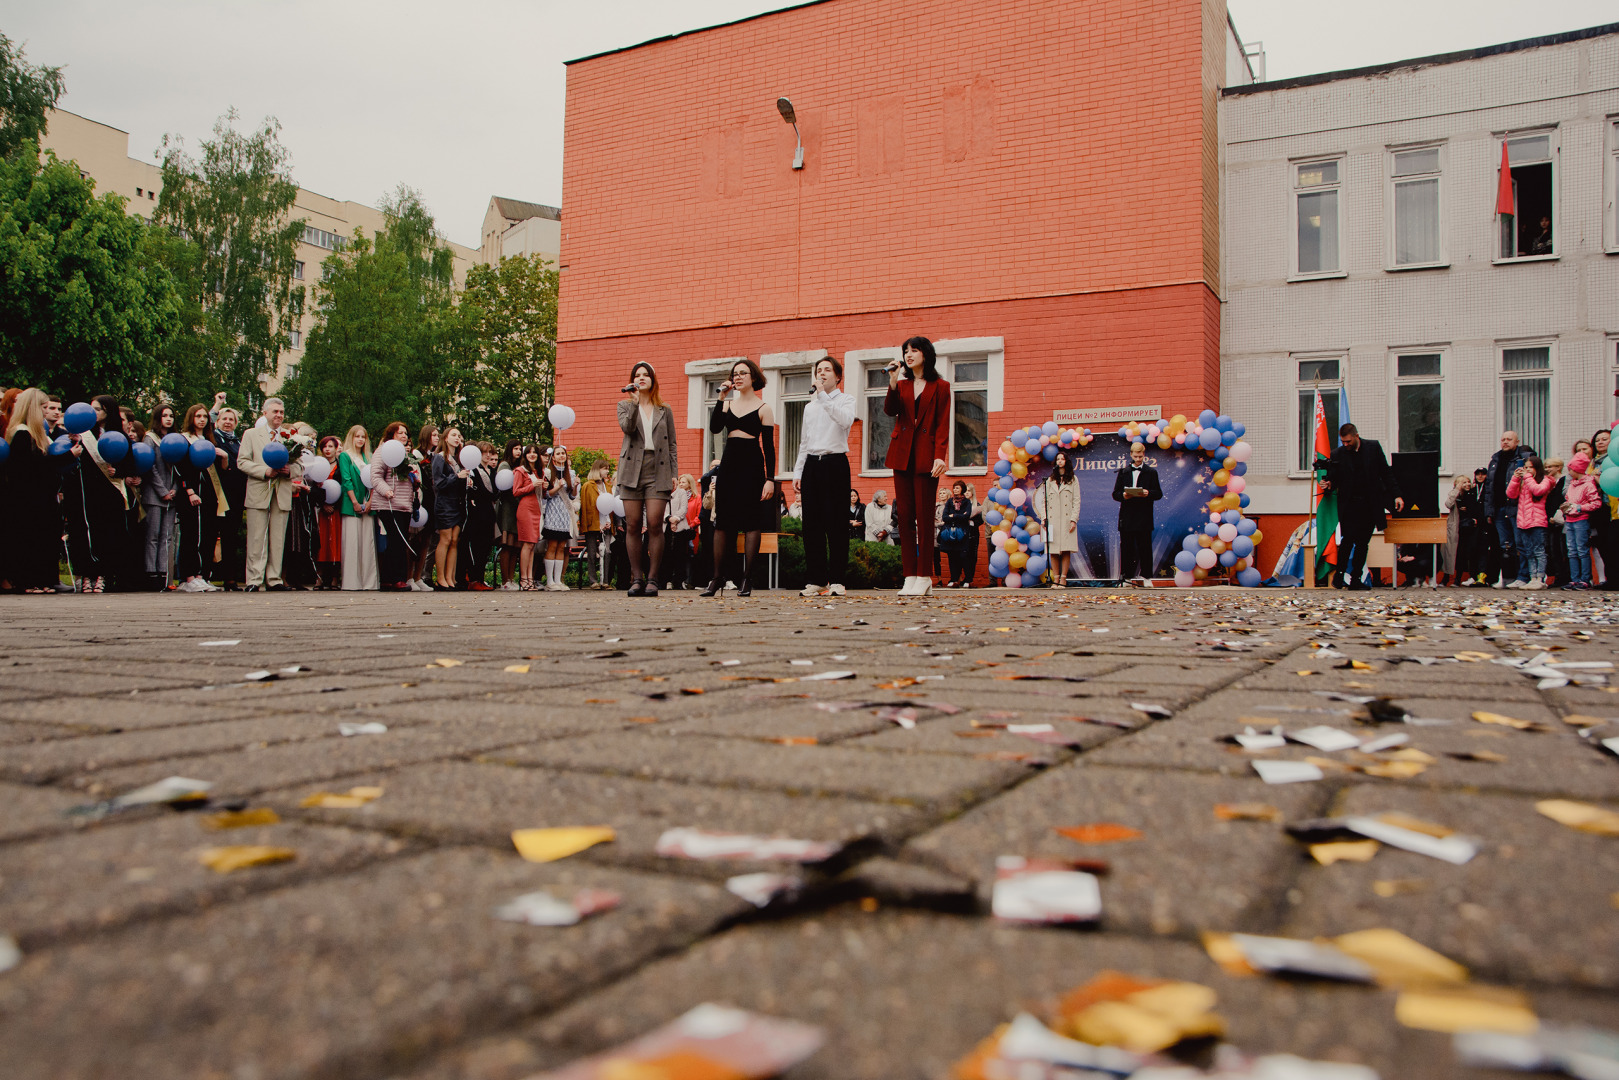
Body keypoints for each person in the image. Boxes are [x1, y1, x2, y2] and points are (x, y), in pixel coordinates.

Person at [702, 359, 774, 598]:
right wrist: (721, 396)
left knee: (752, 522)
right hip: (729, 463)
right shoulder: (726, 404)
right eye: (735, 374)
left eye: (743, 373)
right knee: (723, 523)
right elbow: (713, 428)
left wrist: (770, 479)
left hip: (752, 464)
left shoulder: (764, 407)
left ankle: (747, 578)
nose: (738, 377)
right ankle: (716, 578)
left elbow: (770, 448)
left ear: (753, 377)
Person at [883, 337, 950, 596]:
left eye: (914, 350)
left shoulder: (941, 386)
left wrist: (940, 455)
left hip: (926, 458)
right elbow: (890, 411)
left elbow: (943, 423)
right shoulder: (901, 385)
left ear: (926, 354)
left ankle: (924, 576)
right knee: (905, 519)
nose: (909, 355)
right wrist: (892, 380)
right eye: (905, 351)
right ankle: (910, 575)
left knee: (924, 518)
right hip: (901, 456)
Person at [792, 355, 857, 598]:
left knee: (837, 523)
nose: (822, 374)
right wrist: (798, 471)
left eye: (827, 370)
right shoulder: (810, 407)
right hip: (812, 463)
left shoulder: (845, 400)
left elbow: (844, 421)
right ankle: (816, 579)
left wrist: (824, 397)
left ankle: (837, 580)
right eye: (819, 370)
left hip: (835, 463)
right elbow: (804, 441)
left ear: (837, 376)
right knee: (812, 525)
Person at [616, 361, 679, 597]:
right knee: (632, 525)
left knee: (654, 523)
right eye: (637, 375)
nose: (641, 378)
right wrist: (634, 402)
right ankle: (636, 578)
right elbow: (628, 428)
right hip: (632, 468)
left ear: (653, 380)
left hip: (658, 468)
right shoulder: (624, 405)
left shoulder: (665, 409)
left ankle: (654, 578)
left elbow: (672, 443)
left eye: (646, 375)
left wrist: (674, 472)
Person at [1322, 422, 1403, 590]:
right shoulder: (1337, 454)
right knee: (1347, 540)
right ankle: (1340, 574)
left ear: (1356, 436)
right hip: (1349, 505)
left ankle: (1356, 579)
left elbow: (1386, 472)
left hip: (1370, 504)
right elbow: (1333, 478)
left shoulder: (1373, 447)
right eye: (1343, 442)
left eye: (1348, 442)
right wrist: (1328, 484)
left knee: (1363, 542)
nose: (1346, 445)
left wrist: (1397, 495)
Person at [238, 398, 303, 591]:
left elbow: (300, 465)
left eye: (282, 412)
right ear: (265, 413)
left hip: (281, 492)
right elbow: (242, 462)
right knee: (257, 537)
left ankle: (274, 579)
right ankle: (254, 579)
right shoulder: (251, 434)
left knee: (277, 538)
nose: (279, 415)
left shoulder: (290, 437)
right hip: (259, 489)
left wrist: (289, 470)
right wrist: (264, 471)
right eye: (275, 411)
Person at [3, 389, 63, 592]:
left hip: (41, 496)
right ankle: (28, 581)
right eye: (44, 407)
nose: (47, 412)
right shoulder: (22, 433)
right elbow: (27, 469)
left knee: (43, 538)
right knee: (29, 538)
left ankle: (42, 579)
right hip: (27, 498)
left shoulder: (36, 433)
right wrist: (66, 457)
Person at [174, 404, 226, 592]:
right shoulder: (184, 440)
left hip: (210, 494)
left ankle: (202, 575)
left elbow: (218, 472)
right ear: (191, 418)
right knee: (191, 535)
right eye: (198, 416)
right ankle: (188, 576)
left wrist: (224, 457)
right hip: (192, 493)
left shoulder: (210, 440)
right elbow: (181, 469)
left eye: (205, 416)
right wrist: (189, 491)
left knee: (208, 535)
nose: (202, 419)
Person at [369, 422, 417, 590]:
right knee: (397, 541)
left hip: (404, 503)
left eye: (406, 433)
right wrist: (386, 490)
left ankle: (387, 579)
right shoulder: (383, 451)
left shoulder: (407, 455)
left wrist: (415, 480)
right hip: (388, 503)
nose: (404, 436)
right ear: (391, 435)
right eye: (400, 433)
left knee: (398, 541)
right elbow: (375, 476)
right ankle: (398, 578)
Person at [140, 403, 184, 588]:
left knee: (168, 536)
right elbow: (150, 468)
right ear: (158, 418)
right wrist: (162, 491)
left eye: (171, 415)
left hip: (171, 495)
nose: (168, 418)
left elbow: (179, 467)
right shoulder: (150, 439)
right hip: (154, 495)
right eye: (165, 415)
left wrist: (174, 488)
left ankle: (164, 575)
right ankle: (152, 574)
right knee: (153, 536)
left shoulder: (176, 440)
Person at [1483, 431, 1533, 588]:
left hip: (1516, 507)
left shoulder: (1523, 458)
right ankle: (1507, 578)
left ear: (1517, 441)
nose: (1505, 442)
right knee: (1505, 545)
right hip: (1498, 509)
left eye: (1509, 439)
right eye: (1503, 439)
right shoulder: (1495, 460)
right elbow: (1489, 488)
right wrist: (1488, 511)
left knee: (1521, 543)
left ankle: (1524, 576)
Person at [1111, 441, 1163, 585]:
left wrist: (1148, 493)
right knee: (1127, 548)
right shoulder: (1123, 472)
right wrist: (1124, 495)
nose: (1138, 459)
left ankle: (1146, 577)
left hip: (1144, 516)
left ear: (1144, 455)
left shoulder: (1151, 472)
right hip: (1127, 516)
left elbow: (1158, 493)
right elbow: (1115, 494)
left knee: (1145, 548)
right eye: (1136, 456)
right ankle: (1126, 578)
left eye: (1140, 456)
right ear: (1131, 455)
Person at [336, 425, 379, 590]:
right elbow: (346, 480)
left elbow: (373, 480)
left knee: (368, 543)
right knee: (353, 543)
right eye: (357, 436)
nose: (360, 439)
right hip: (351, 502)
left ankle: (369, 582)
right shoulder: (345, 456)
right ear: (351, 437)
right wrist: (354, 502)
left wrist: (370, 501)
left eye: (363, 437)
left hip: (368, 502)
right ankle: (351, 582)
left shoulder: (368, 456)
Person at [1504, 456, 1553, 589]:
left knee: (1539, 551)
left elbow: (1538, 490)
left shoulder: (1545, 480)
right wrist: (1515, 478)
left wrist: (1527, 477)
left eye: (1531, 467)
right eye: (1526, 467)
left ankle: (1540, 578)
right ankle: (1532, 578)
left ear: (1537, 468)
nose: (1527, 470)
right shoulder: (1525, 481)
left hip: (1537, 521)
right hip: (1523, 521)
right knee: (1528, 552)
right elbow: (1511, 494)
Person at [212, 406, 247, 589]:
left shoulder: (239, 442)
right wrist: (217, 404)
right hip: (217, 493)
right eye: (224, 419)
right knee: (212, 535)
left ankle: (230, 578)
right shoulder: (214, 438)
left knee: (230, 537)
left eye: (231, 419)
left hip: (236, 494)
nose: (228, 422)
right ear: (218, 421)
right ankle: (206, 575)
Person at [430, 427, 469, 591]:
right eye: (453, 435)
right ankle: (440, 578)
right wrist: (456, 477)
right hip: (445, 504)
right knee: (445, 540)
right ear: (445, 438)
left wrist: (466, 481)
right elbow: (439, 483)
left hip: (457, 503)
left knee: (455, 540)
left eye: (459, 435)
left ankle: (450, 577)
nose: (457, 438)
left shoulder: (459, 460)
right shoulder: (440, 458)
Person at [1039, 451, 1082, 586]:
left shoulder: (1073, 479)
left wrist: (1073, 519)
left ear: (1066, 462)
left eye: (1062, 459)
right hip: (1052, 520)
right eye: (1058, 459)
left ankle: (1063, 578)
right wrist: (1044, 519)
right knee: (1053, 550)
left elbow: (1077, 501)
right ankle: (1055, 578)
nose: (1060, 461)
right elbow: (1044, 502)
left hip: (1066, 519)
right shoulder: (1050, 480)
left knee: (1065, 549)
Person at [460, 442, 498, 590]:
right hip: (477, 513)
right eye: (484, 452)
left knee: (486, 547)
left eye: (490, 452)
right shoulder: (474, 470)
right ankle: (474, 579)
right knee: (477, 547)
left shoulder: (492, 471)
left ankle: (480, 579)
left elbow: (496, 491)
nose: (488, 455)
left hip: (489, 512)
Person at [1561, 451, 1601, 590]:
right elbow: (1568, 499)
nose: (1569, 471)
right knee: (1571, 550)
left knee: (1582, 550)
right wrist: (1566, 507)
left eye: (1571, 468)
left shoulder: (1588, 484)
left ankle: (1585, 579)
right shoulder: (1573, 484)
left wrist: (1579, 507)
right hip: (1570, 520)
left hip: (1581, 520)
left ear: (1577, 468)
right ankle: (1574, 579)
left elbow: (1596, 503)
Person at [540, 445, 578, 591]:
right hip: (552, 512)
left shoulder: (570, 473)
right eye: (558, 454)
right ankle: (549, 581)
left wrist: (574, 486)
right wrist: (557, 487)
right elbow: (546, 494)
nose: (561, 456)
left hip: (565, 513)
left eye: (563, 453)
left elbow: (572, 496)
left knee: (562, 546)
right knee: (553, 545)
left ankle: (558, 579)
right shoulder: (548, 473)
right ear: (553, 457)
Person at [411, 424, 440, 589]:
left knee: (427, 541)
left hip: (432, 500)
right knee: (416, 539)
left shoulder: (434, 455)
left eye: (438, 435)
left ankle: (419, 576)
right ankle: (411, 576)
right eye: (434, 435)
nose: (436, 437)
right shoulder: (417, 454)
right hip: (422, 500)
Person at [312, 435, 343, 588]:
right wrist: (323, 504)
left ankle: (334, 578)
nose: (327, 449)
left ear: (336, 448)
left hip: (336, 510)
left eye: (331, 446)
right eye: (325, 446)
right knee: (321, 543)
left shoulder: (340, 466)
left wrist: (334, 505)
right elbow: (313, 487)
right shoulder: (318, 464)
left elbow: (343, 487)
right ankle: (319, 576)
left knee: (336, 543)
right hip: (321, 510)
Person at [1443, 473, 1484, 586]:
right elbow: (1448, 504)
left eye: (1468, 481)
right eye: (1463, 482)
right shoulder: (1454, 494)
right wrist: (1456, 490)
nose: (1467, 484)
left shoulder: (1473, 494)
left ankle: (1460, 579)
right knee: (1451, 554)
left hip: (1469, 529)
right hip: (1456, 528)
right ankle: (1446, 578)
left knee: (1465, 554)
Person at [512, 444, 544, 590]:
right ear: (525, 455)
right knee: (527, 543)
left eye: (535, 452)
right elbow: (516, 491)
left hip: (537, 508)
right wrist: (532, 485)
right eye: (529, 452)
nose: (532, 455)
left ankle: (530, 577)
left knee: (532, 544)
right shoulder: (520, 471)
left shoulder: (538, 471)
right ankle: (523, 579)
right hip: (525, 509)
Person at [940, 481, 975, 587]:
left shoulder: (966, 502)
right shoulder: (950, 501)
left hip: (962, 533)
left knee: (964, 556)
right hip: (951, 533)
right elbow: (944, 517)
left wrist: (953, 515)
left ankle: (968, 580)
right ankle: (954, 579)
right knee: (952, 556)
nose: (955, 490)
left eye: (957, 488)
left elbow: (966, 516)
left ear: (962, 489)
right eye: (954, 488)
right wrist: (958, 515)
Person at [664, 473, 696, 589]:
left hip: (681, 527)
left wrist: (676, 519)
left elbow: (684, 508)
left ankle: (678, 581)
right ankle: (665, 580)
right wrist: (669, 519)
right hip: (666, 526)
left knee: (680, 555)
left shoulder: (681, 492)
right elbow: (663, 509)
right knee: (666, 554)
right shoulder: (663, 492)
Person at [1543, 457, 1568, 587]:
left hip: (1560, 520)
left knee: (1561, 550)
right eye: (1546, 467)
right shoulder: (1550, 483)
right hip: (1551, 521)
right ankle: (1558, 576)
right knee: (1553, 551)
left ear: (1558, 467)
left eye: (1550, 467)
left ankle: (1564, 577)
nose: (1547, 469)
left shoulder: (1563, 481)